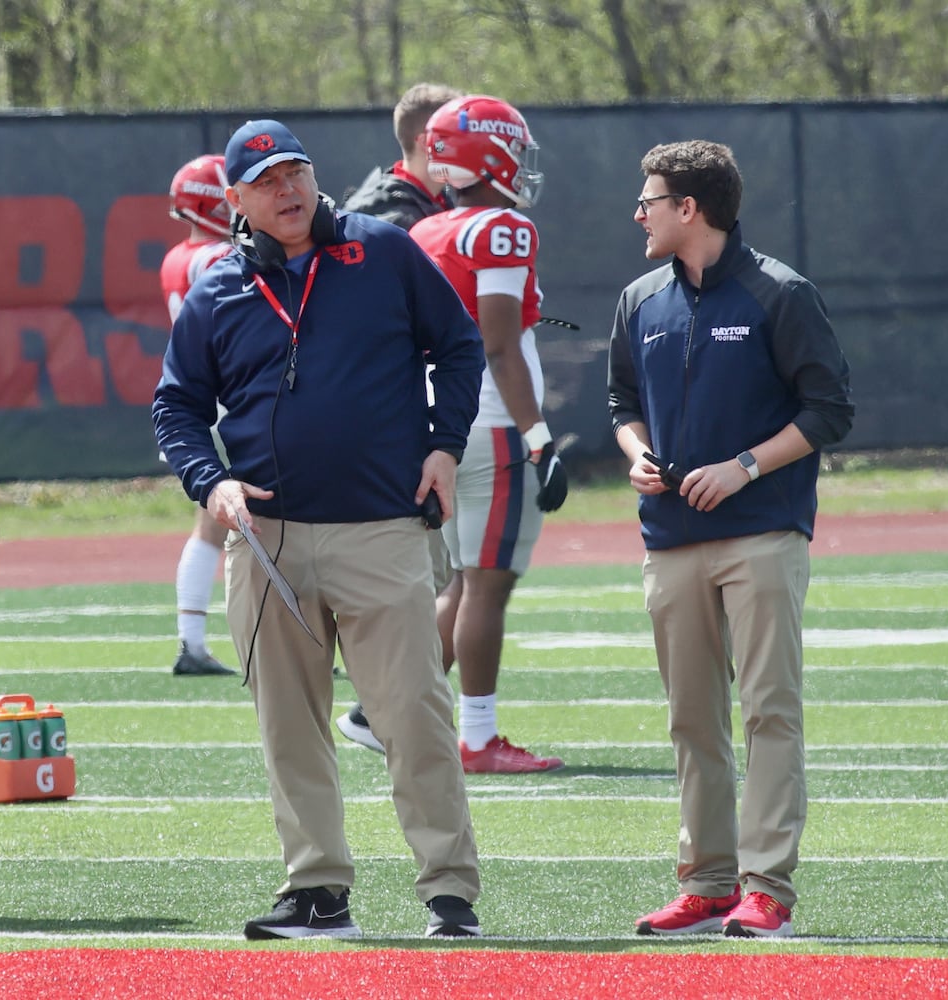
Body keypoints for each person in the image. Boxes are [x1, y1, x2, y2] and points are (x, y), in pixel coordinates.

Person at [153, 119, 487, 939]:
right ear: (234, 200)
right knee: (288, 725)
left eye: (295, 171)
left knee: (412, 714)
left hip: (381, 527)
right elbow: (178, 407)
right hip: (266, 537)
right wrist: (213, 481)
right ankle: (318, 891)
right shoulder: (218, 288)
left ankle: (449, 892)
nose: (287, 189)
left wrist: (445, 449)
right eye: (265, 181)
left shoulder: (384, 249)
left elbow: (460, 346)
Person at [607, 140, 854, 939]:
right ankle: (707, 882)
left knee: (769, 711)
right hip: (669, 539)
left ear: (690, 208)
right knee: (690, 718)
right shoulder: (639, 299)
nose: (636, 213)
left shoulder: (781, 293)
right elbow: (620, 403)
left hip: (761, 533)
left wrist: (745, 467)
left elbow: (829, 411)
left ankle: (767, 888)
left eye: (649, 199)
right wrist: (639, 454)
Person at [408, 94, 567, 774]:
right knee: (485, 587)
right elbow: (499, 348)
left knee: (457, 584)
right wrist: (538, 436)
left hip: (436, 424)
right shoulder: (499, 228)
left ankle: (386, 714)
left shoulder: (426, 231)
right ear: (493, 152)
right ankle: (476, 736)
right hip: (491, 424)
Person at [333, 80, 460, 754]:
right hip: (381, 423)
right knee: (430, 570)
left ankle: (386, 709)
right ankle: (379, 711)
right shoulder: (386, 212)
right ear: (424, 143)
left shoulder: (433, 206)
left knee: (442, 572)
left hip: (415, 410)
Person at [159, 153, 237, 677]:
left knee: (211, 524)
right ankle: (275, 635)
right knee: (254, 526)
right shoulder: (215, 260)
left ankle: (191, 639)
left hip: (202, 398)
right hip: (230, 399)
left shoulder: (178, 257)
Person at [340, 82, 461, 229]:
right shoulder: (389, 221)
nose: (466, 142)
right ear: (426, 142)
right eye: (454, 134)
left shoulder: (447, 198)